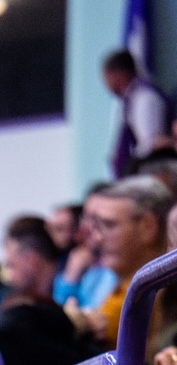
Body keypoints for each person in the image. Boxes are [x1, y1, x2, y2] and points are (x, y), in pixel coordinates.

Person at [71, 178, 168, 344]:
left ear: (149, 226)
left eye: (109, 225)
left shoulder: (160, 295)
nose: (98, 238)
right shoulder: (122, 287)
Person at [104, 48, 171, 176]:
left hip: (155, 169)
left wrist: (132, 165)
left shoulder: (145, 98)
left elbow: (152, 144)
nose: (106, 84)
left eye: (107, 77)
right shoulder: (130, 100)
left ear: (119, 74)